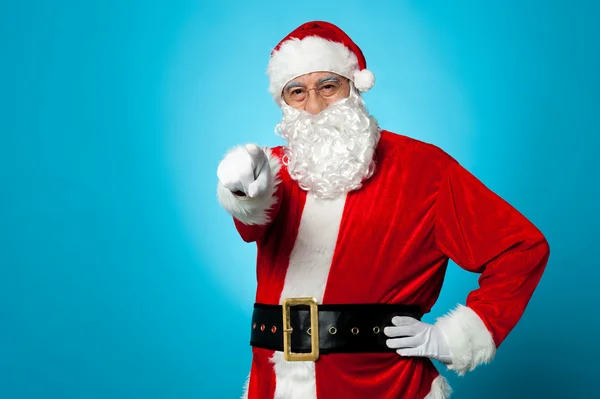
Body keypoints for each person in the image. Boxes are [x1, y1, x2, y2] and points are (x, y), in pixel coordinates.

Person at [215, 21, 550, 399]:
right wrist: (240, 192)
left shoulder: (425, 169)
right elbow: (252, 224)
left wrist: (458, 335)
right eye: (297, 92)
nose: (314, 106)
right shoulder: (271, 168)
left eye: (328, 86)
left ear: (355, 85)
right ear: (283, 102)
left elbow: (521, 248)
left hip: (385, 385)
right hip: (274, 385)